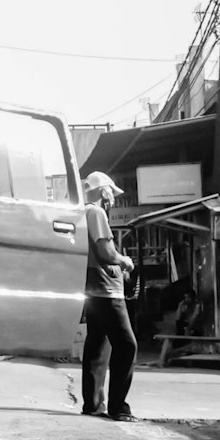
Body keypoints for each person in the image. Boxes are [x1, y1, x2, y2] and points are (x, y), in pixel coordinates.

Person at [81, 171, 139, 421]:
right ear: (104, 191)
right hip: (106, 290)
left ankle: (93, 404)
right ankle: (118, 407)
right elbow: (106, 252)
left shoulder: (83, 212)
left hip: (93, 290)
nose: (113, 200)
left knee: (98, 345)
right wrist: (124, 261)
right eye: (112, 195)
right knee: (127, 345)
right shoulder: (96, 212)